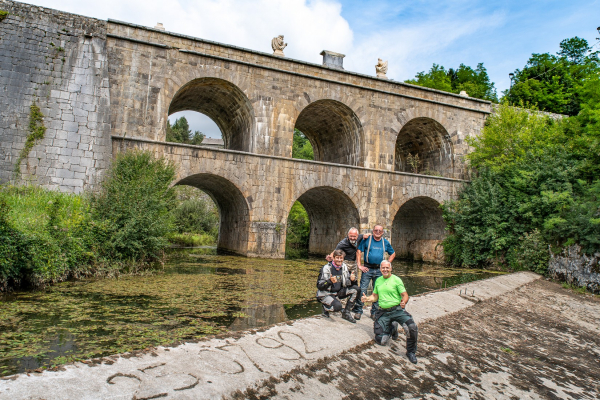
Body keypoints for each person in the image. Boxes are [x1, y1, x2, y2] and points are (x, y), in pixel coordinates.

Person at [361, 260, 418, 364]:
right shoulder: (378, 280)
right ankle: (392, 328)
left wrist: (404, 302)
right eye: (383, 268)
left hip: (397, 310)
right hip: (383, 312)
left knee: (412, 327)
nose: (385, 270)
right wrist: (367, 299)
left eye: (387, 268)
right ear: (380, 269)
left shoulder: (396, 280)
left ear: (391, 268)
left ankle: (411, 352)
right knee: (381, 341)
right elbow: (375, 296)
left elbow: (405, 295)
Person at [355, 224, 395, 319]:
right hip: (367, 269)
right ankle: (359, 310)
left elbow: (393, 253)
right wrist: (359, 265)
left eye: (380, 231)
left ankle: (374, 312)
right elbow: (359, 251)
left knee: (377, 291)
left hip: (379, 270)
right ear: (373, 231)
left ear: (382, 232)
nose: (377, 232)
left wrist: (387, 265)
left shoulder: (385, 242)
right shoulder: (367, 240)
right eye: (376, 230)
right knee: (362, 290)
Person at [316, 249, 360, 323]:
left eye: (341, 258)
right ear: (333, 258)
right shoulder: (326, 268)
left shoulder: (344, 267)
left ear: (343, 259)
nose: (339, 260)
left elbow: (348, 284)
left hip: (338, 292)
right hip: (326, 294)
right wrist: (329, 281)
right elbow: (319, 286)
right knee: (338, 307)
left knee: (356, 289)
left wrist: (353, 280)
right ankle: (325, 307)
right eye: (337, 258)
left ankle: (346, 313)